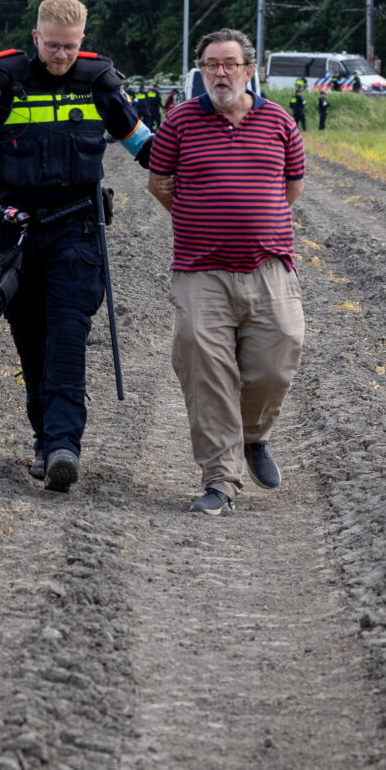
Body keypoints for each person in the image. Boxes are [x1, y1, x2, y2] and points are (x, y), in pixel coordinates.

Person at [0, 0, 156, 493]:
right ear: (36, 38)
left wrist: (203, 167)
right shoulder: (4, 85)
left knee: (67, 336)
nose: (61, 55)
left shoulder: (100, 85)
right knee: (31, 340)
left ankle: (65, 444)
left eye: (70, 46)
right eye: (52, 46)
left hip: (78, 234)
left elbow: (146, 147)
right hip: (17, 238)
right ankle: (44, 441)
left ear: (82, 40)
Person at [145, 30, 307, 517]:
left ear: (249, 70)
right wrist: (201, 219)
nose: (221, 73)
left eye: (230, 64)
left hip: (269, 267)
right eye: (211, 65)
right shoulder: (179, 121)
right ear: (201, 70)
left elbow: (292, 186)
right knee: (206, 367)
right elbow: (159, 183)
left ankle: (253, 435)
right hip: (201, 270)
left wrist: (254, 221)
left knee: (279, 357)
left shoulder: (279, 120)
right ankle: (220, 481)